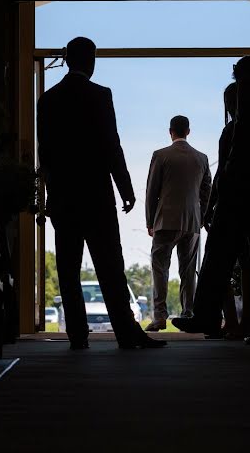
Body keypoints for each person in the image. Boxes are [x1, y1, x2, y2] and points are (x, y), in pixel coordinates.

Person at [37, 36, 166, 350]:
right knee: (110, 264)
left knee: (67, 267)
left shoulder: (48, 99)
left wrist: (47, 194)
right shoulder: (100, 95)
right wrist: (125, 188)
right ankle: (126, 332)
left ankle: (78, 336)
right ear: (91, 61)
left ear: (67, 60)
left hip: (64, 197)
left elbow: (47, 153)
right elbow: (111, 144)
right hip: (96, 195)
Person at [173, 56, 250, 345]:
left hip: (242, 188)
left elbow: (241, 145)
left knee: (218, 253)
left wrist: (223, 188)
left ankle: (206, 314)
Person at [144, 115, 212, 332]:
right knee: (188, 270)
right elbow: (207, 190)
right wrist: (201, 216)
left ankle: (160, 317)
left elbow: (151, 191)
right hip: (192, 222)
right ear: (188, 131)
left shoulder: (161, 156)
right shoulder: (201, 158)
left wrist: (150, 220)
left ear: (170, 131)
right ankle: (188, 313)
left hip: (165, 220)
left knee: (160, 268)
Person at [204, 83, 250, 340]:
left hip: (230, 204)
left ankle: (229, 320)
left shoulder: (230, 132)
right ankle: (247, 321)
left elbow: (222, 173)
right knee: (248, 264)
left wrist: (210, 206)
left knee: (219, 262)